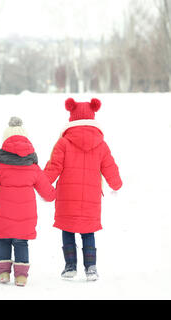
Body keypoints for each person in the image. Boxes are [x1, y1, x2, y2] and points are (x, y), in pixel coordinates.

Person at [44, 98, 122, 281]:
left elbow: (53, 167)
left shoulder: (63, 143)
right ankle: (91, 267)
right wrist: (116, 184)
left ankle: (70, 266)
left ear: (71, 117)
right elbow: (110, 167)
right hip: (91, 198)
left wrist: (42, 183)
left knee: (67, 229)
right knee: (88, 231)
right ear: (93, 117)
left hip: (66, 197)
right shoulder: (101, 145)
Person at [0, 117, 56, 286]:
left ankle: (3, 273)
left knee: (4, 240)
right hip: (26, 216)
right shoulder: (33, 167)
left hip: (3, 214)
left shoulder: (0, 165)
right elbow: (48, 194)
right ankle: (21, 276)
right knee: (21, 242)